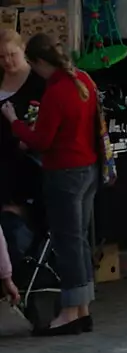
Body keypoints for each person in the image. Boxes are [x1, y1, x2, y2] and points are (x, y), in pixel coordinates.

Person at [1, 36, 100, 333]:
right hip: (87, 168)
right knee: (79, 241)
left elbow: (42, 140)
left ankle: (70, 311)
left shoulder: (57, 92)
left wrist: (14, 121)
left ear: (40, 62)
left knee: (67, 243)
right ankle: (82, 307)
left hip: (64, 172)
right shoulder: (83, 80)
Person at [0, 29, 45, 262]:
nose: (7, 61)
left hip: (23, 159)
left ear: (23, 50)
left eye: (11, 55)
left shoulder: (38, 81)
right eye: (1, 57)